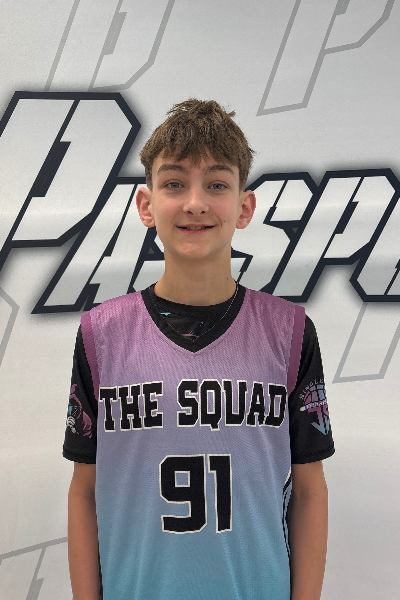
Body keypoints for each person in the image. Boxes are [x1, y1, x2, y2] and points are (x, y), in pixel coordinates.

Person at [63, 99, 334, 600]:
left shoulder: (290, 332)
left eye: (216, 184)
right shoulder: (101, 334)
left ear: (244, 207)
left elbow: (310, 489)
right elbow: (84, 490)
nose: (195, 203)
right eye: (174, 183)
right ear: (146, 205)